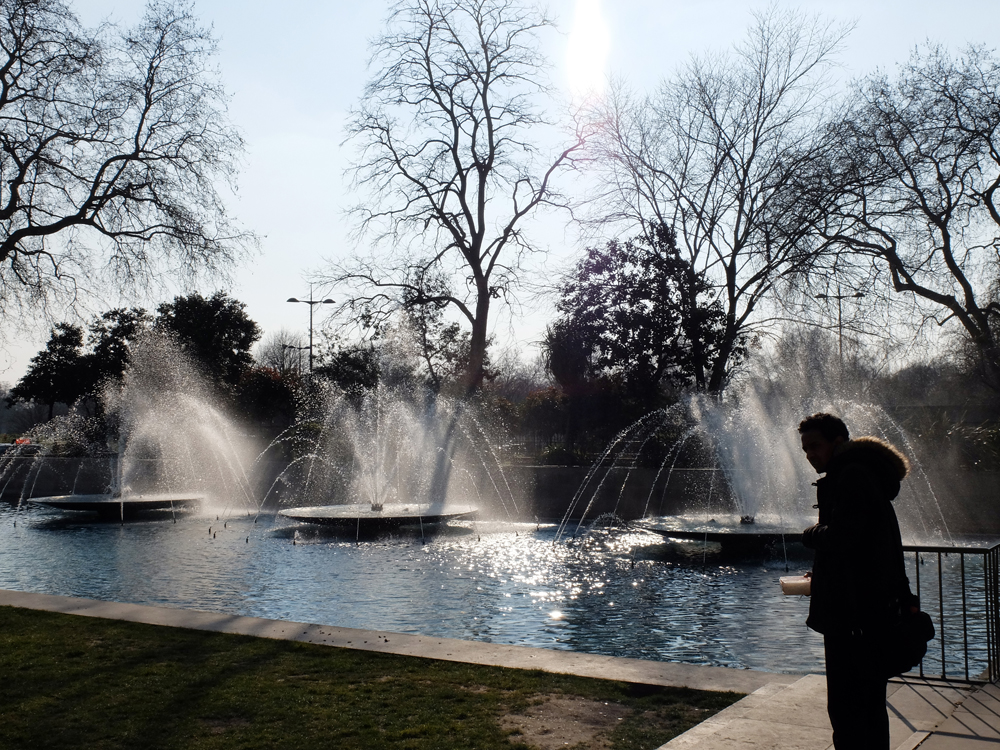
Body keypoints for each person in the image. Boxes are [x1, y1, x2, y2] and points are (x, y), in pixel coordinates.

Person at [798, 412, 918, 750]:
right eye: (805, 449)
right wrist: (822, 574)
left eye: (815, 446)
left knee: (848, 710)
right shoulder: (863, 473)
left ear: (838, 442)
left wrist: (810, 535)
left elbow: (843, 536)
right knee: (868, 706)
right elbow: (866, 545)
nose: (809, 455)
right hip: (867, 612)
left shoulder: (851, 475)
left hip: (852, 618)